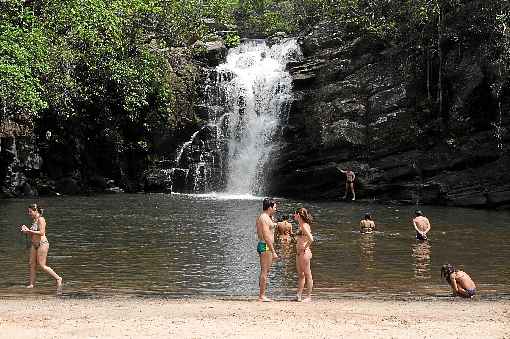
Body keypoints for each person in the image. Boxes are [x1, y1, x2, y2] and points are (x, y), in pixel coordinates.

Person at [20, 203, 63, 291]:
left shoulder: (41, 219)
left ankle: (58, 278)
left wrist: (29, 230)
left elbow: (42, 232)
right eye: (28, 212)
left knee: (42, 265)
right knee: (32, 264)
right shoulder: (34, 221)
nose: (29, 213)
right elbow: (33, 234)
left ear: (36, 211)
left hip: (42, 244)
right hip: (34, 245)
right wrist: (26, 231)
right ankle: (31, 284)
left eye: (30, 212)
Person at [256, 198, 279, 302]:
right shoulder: (264, 218)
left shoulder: (266, 217)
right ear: (269, 207)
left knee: (266, 271)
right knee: (264, 271)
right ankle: (262, 296)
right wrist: (273, 251)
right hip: (265, 246)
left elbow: (270, 227)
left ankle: (262, 294)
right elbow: (266, 236)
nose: (276, 209)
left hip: (265, 246)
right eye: (274, 207)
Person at [294, 207, 314, 302]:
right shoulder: (301, 225)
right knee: (301, 275)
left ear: (298, 215)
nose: (293, 216)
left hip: (304, 253)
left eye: (295, 214)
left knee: (307, 274)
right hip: (299, 253)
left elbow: (311, 239)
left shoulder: (304, 226)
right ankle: (299, 295)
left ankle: (308, 297)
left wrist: (304, 247)